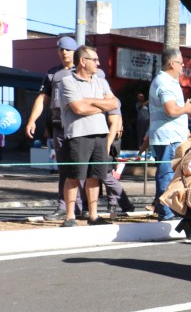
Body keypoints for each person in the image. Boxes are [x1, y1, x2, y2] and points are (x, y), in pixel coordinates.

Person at [58, 45, 122, 227]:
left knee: (95, 176)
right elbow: (79, 108)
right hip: (78, 135)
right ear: (82, 61)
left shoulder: (101, 81)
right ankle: (70, 216)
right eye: (94, 60)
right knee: (74, 176)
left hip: (100, 134)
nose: (98, 63)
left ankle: (93, 215)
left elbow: (114, 103)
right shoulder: (68, 82)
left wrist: (91, 101)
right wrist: (102, 105)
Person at [24, 35, 82, 220]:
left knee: (82, 168)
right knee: (64, 169)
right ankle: (63, 206)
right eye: (61, 49)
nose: (64, 53)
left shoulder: (83, 71)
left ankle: (83, 206)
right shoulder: (52, 73)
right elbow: (42, 98)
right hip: (60, 126)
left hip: (81, 126)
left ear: (75, 51)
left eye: (68, 49)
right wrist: (32, 120)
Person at [149, 48, 191, 221]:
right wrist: (186, 109)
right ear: (172, 64)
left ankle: (163, 210)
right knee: (168, 175)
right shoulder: (165, 83)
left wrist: (184, 110)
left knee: (168, 174)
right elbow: (171, 110)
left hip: (170, 135)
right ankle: (166, 214)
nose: (183, 65)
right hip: (168, 138)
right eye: (180, 62)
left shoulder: (169, 82)